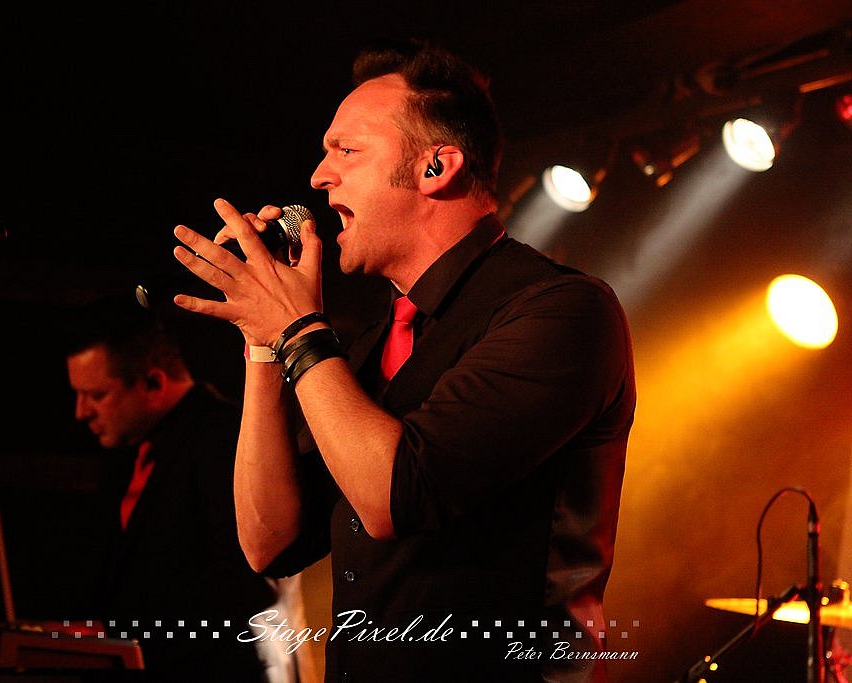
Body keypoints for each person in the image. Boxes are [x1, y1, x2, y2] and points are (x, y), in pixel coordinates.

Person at [170, 38, 636, 682]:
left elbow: (396, 496)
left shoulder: (561, 311)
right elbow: (269, 542)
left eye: (346, 151)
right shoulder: (366, 349)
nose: (319, 176)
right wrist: (263, 339)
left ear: (435, 167)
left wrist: (297, 330)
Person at [63, 296, 286, 681]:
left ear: (153, 383)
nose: (81, 412)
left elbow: (240, 587)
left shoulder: (226, 438)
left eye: (97, 395)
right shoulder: (126, 452)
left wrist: (124, 636)